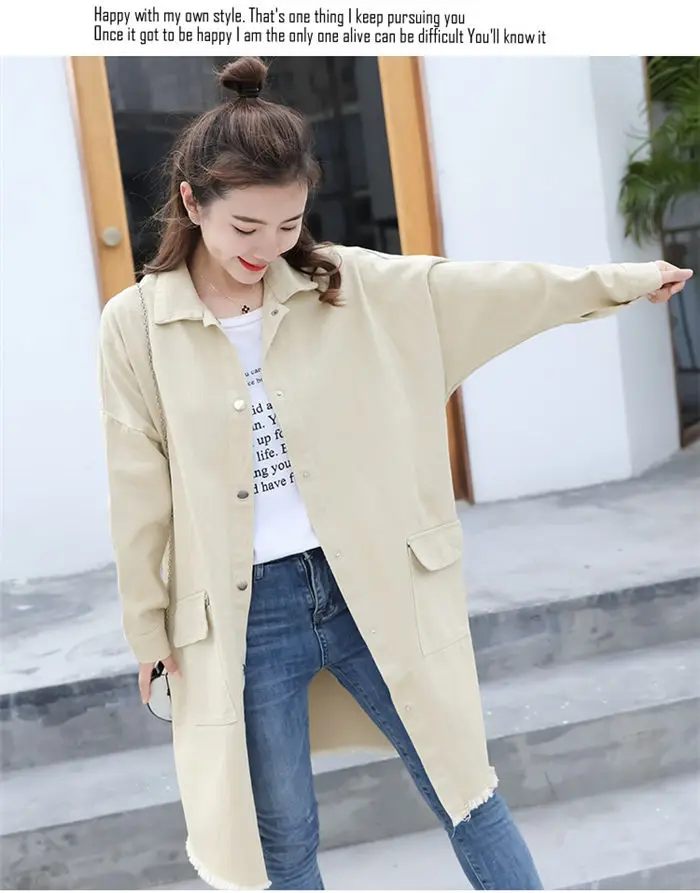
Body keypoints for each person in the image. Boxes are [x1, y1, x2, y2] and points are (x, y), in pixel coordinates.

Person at [97, 56, 693, 892]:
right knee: (282, 838)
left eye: (288, 224)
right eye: (245, 228)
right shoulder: (135, 327)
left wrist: (622, 282)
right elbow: (138, 495)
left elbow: (489, 290)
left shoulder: (347, 286)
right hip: (245, 612)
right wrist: (148, 634)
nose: (266, 249)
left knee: (466, 788)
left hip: (371, 579)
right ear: (193, 203)